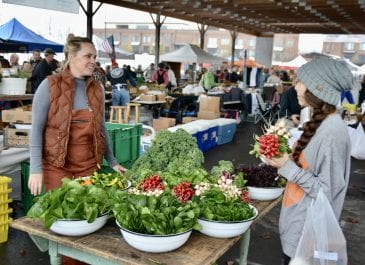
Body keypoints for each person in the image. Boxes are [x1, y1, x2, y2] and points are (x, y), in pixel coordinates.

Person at [263, 58, 356, 265]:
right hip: (297, 232)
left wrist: (287, 167)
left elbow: (326, 192)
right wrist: (280, 162)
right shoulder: (320, 122)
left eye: (301, 81)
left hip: (307, 239)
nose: (295, 86)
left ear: (318, 88)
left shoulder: (332, 131)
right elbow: (306, 169)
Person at [28, 34, 125, 196]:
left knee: (87, 213)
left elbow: (101, 128)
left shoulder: (97, 89)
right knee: (62, 213)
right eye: (88, 56)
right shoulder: (49, 86)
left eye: (94, 57)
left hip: (88, 166)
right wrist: (35, 169)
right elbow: (36, 130)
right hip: (56, 167)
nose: (93, 61)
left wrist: (112, 160)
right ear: (72, 57)